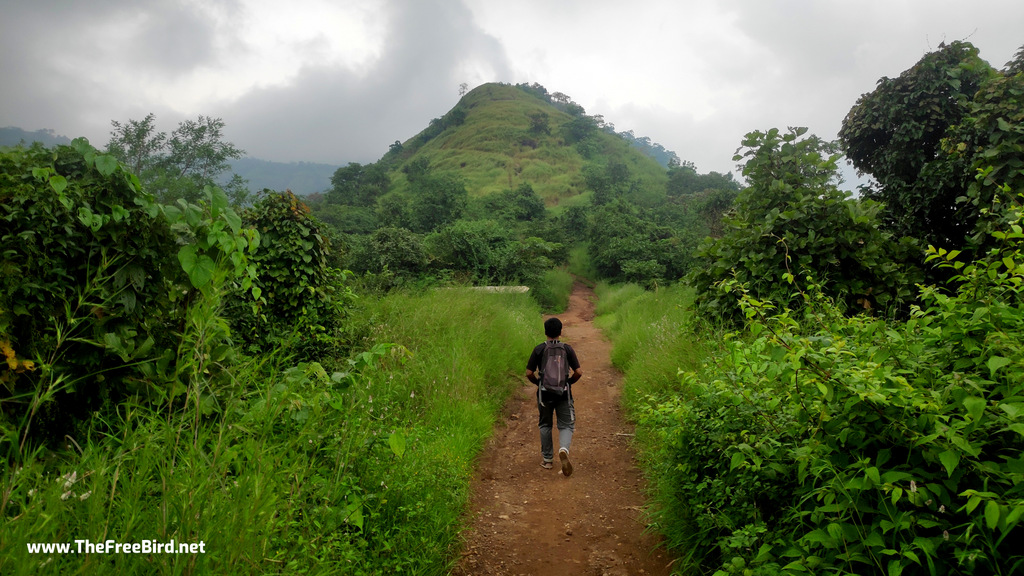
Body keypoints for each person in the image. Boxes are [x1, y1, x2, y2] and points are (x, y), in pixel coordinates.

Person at [525, 317, 582, 476]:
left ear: (545, 332)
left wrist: (538, 383)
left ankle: (548, 460)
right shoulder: (567, 349)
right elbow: (578, 372)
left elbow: (529, 372)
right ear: (560, 331)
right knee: (566, 425)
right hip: (563, 393)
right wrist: (568, 382)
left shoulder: (539, 349)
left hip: (544, 394)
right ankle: (563, 449)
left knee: (545, 425)